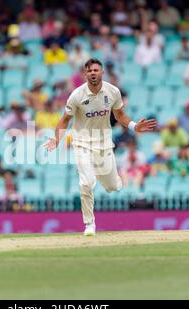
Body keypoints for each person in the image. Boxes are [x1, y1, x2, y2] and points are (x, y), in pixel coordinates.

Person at [44, 58, 157, 236]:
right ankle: (89, 224)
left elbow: (119, 115)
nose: (93, 73)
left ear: (102, 73)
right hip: (82, 143)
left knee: (112, 187)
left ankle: (111, 178)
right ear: (85, 74)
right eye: (89, 71)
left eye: (96, 70)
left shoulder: (112, 92)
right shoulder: (77, 95)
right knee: (86, 183)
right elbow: (65, 120)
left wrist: (135, 126)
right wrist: (56, 140)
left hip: (104, 144)